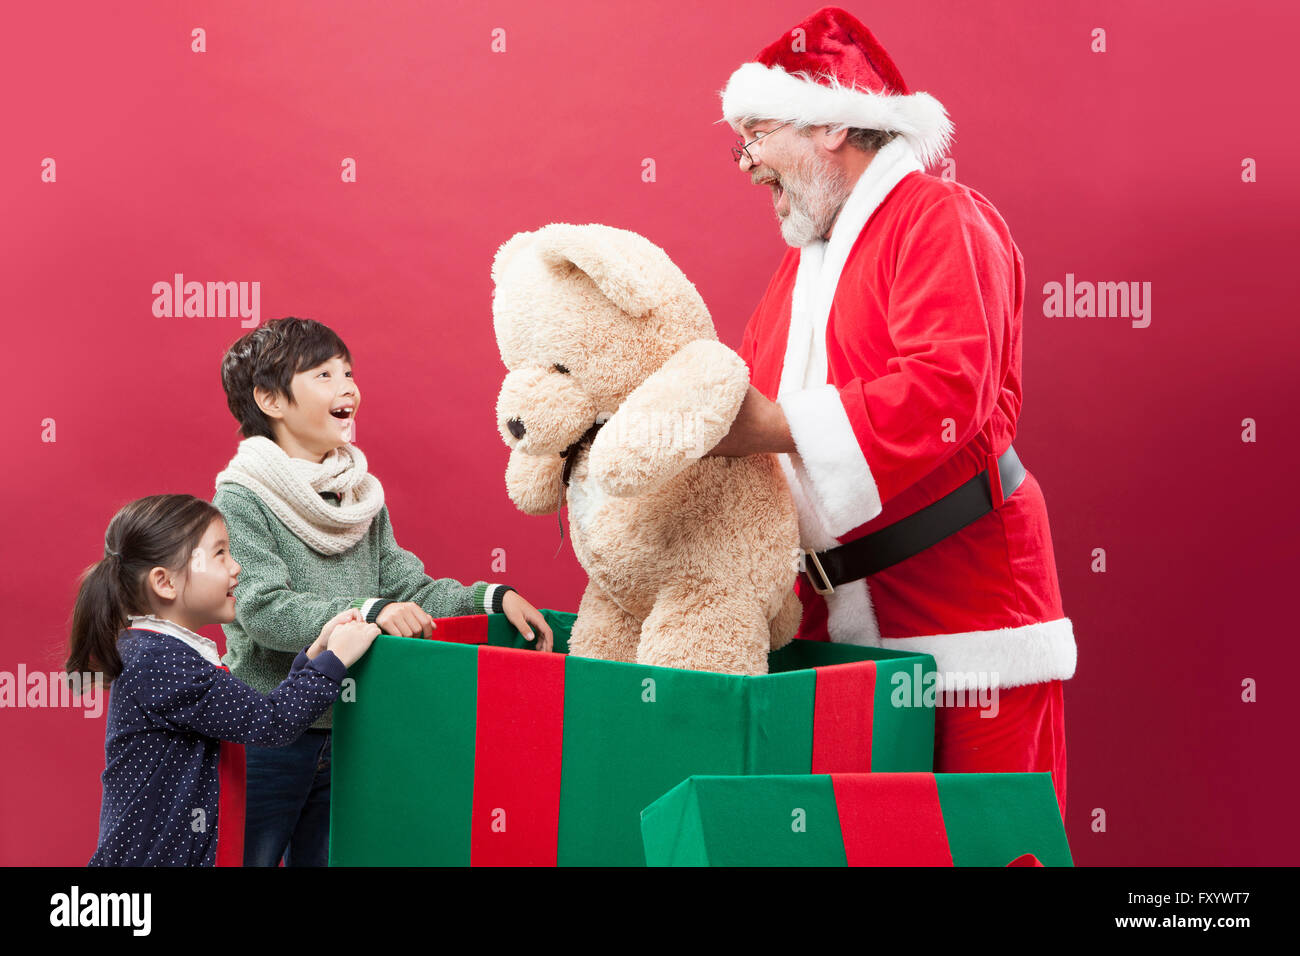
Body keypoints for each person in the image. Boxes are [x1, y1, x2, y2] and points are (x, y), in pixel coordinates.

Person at [708, 7, 1074, 817]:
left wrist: (767, 428)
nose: (746, 162)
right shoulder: (793, 279)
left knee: (991, 841)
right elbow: (749, 424)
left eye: (756, 132)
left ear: (834, 121)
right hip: (841, 640)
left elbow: (949, 388)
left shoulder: (942, 219)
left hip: (970, 620)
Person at [213, 316, 553, 866]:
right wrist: (368, 612)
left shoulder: (359, 497)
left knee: (331, 858)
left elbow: (407, 587)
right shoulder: (243, 495)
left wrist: (489, 598)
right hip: (272, 730)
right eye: (323, 374)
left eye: (347, 371)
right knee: (249, 857)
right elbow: (263, 610)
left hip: (351, 722)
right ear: (271, 400)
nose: (347, 386)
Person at [68, 493, 380, 866]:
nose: (237, 568)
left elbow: (253, 711)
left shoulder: (158, 651)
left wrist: (315, 653)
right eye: (220, 554)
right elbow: (271, 723)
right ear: (165, 583)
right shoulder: (162, 661)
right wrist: (337, 660)